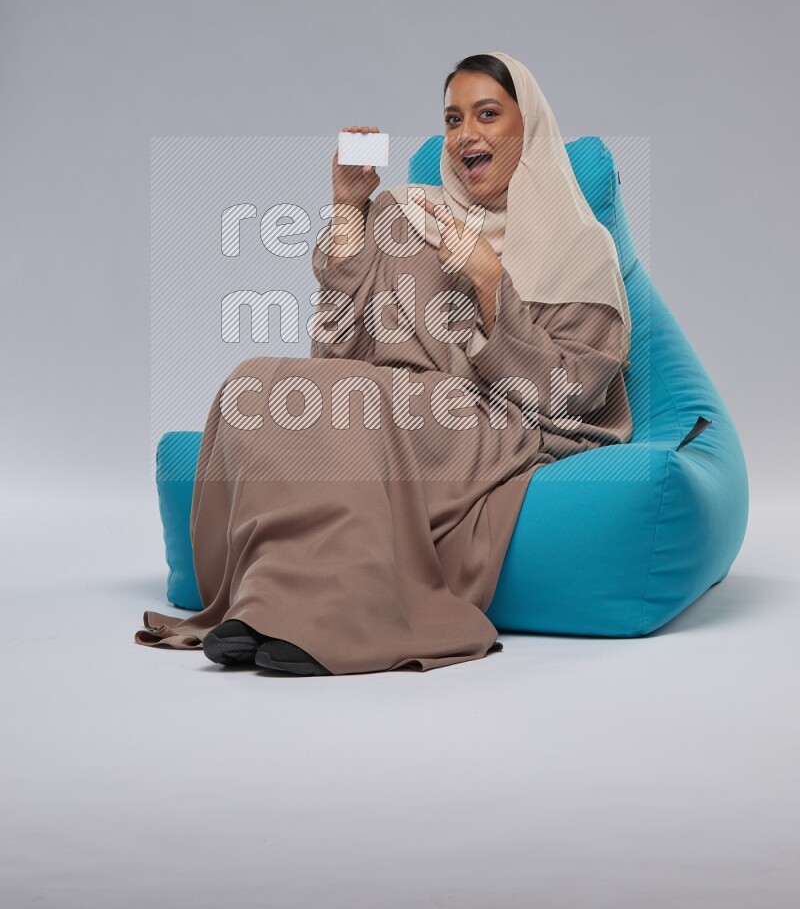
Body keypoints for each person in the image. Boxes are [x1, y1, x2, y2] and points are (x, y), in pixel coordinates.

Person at [134, 51, 633, 676]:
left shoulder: (579, 244)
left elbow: (568, 396)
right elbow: (335, 355)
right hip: (396, 404)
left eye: (487, 115)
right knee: (255, 382)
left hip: (501, 418)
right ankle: (263, 604)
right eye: (453, 119)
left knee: (366, 404)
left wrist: (487, 279)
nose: (465, 135)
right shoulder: (406, 213)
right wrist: (347, 207)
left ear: (527, 127)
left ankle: (332, 622)